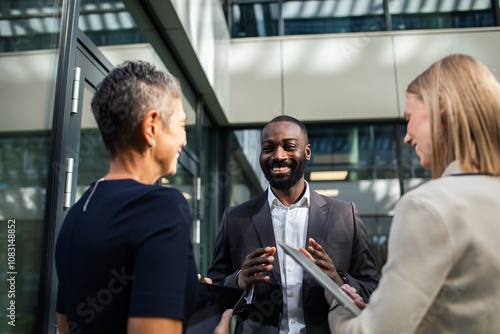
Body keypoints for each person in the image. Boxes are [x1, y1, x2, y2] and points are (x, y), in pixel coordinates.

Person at [328, 54, 500, 333]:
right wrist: (385, 310)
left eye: (409, 118)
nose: (406, 137)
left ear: (441, 107)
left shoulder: (428, 206)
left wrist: (338, 307)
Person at [55, 61, 198, 334]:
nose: (184, 140)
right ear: (151, 127)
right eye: (181, 125)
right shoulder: (162, 207)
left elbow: (65, 329)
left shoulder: (76, 214)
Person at [207, 115, 379, 333]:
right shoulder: (234, 219)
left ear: (306, 152)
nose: (278, 156)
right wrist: (239, 280)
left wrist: (338, 280)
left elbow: (373, 289)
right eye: (268, 148)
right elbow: (214, 293)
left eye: (289, 147)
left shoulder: (346, 215)